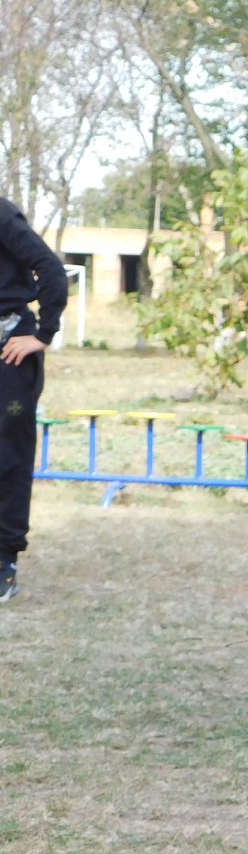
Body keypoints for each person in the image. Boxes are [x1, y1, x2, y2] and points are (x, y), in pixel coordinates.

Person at [0, 197, 68, 603]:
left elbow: (51, 268)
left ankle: (4, 561)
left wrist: (43, 334)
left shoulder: (1, 215)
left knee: (8, 454)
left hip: (9, 352)